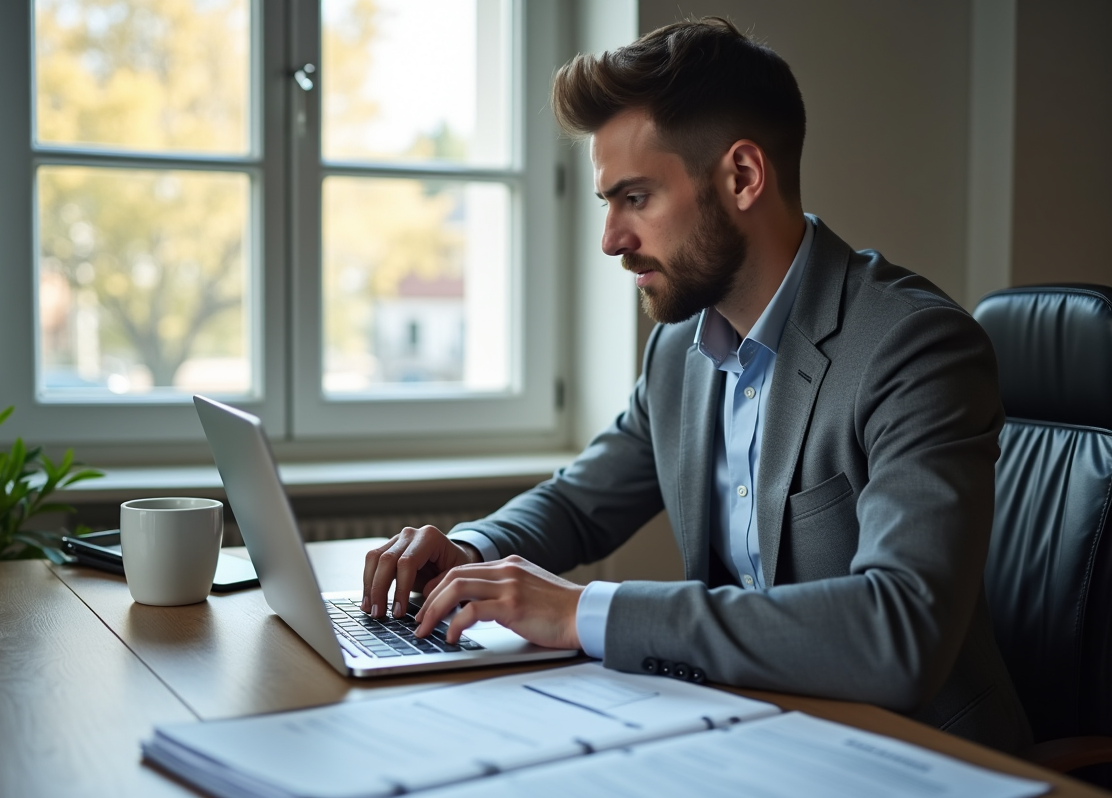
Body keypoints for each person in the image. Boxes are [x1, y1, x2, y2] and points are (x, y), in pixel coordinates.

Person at [360, 17, 1031, 752]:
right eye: (607, 203)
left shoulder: (913, 346)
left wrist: (584, 611)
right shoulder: (680, 349)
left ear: (742, 177)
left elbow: (899, 629)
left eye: (636, 198)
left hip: (918, 758)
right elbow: (581, 502)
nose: (612, 239)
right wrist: (472, 550)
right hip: (748, 738)